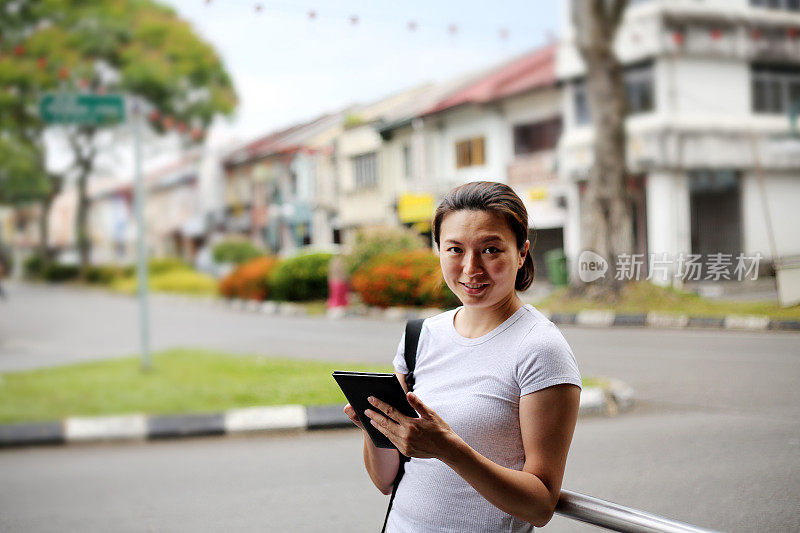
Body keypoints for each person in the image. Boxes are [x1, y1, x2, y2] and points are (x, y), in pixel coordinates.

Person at [343, 181, 582, 532]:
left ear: (521, 252)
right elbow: (385, 481)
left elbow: (540, 504)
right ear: (438, 249)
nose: (471, 268)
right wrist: (375, 428)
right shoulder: (419, 337)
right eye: (455, 249)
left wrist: (449, 449)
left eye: (490, 250)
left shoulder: (540, 348)